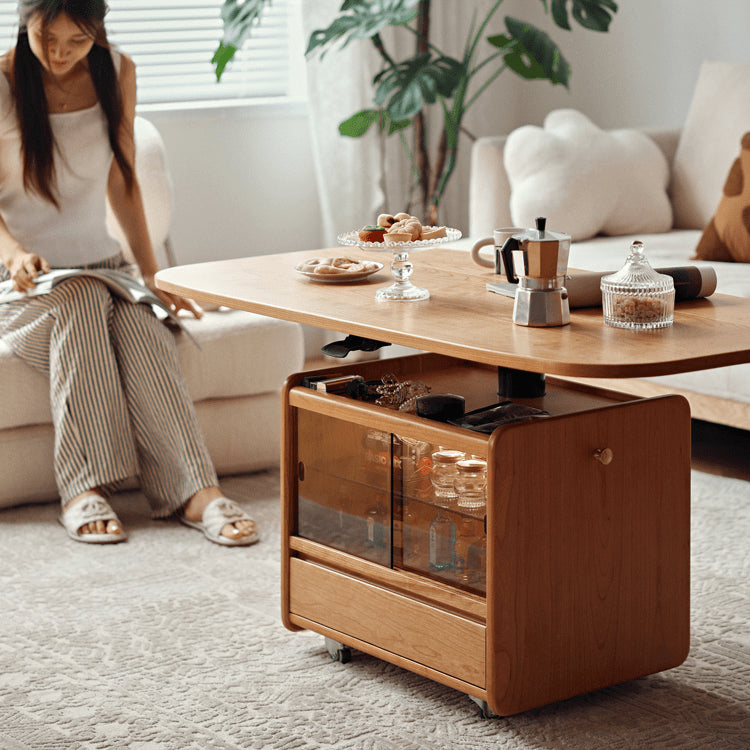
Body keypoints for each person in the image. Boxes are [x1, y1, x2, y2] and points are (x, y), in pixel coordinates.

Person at [0, 0, 258, 546]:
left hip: (106, 271)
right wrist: (15, 253)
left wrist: (154, 276)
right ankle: (81, 487)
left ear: (97, 31)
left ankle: (195, 491)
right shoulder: (1, 82)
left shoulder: (118, 71)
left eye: (77, 41)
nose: (59, 55)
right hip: (21, 281)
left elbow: (123, 181)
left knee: (142, 321)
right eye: (46, 38)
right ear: (25, 22)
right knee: (81, 300)